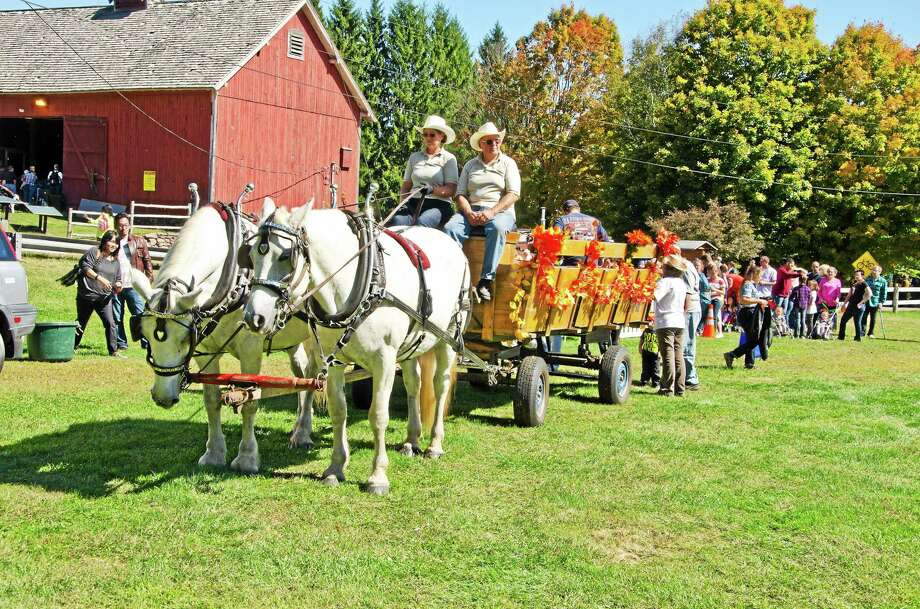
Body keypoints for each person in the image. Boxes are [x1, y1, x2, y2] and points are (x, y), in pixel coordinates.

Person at [445, 121, 521, 301]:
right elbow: (460, 193)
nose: (494, 144)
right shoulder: (470, 165)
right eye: (489, 141)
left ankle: (485, 280)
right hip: (471, 209)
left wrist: (492, 212)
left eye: (497, 140)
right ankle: (456, 277)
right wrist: (468, 211)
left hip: (500, 211)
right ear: (480, 144)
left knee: (496, 227)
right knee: (450, 229)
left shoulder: (508, 163)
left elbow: (513, 194)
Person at [391, 115, 459, 229]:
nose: (428, 138)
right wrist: (402, 205)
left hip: (439, 206)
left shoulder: (448, 158)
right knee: (396, 221)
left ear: (442, 136)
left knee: (422, 223)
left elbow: (451, 190)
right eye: (425, 134)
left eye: (432, 135)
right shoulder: (414, 157)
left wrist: (432, 190)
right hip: (413, 204)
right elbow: (406, 187)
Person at [74, 230, 123, 357]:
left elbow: (118, 279)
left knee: (110, 323)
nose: (114, 245)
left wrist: (118, 286)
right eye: (111, 241)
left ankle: (113, 351)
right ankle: (71, 346)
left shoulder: (115, 261)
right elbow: (85, 267)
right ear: (105, 241)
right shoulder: (95, 252)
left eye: (116, 243)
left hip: (104, 299)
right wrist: (99, 278)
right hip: (87, 296)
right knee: (81, 322)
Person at [112, 213, 154, 350]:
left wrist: (148, 279)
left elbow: (147, 261)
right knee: (117, 316)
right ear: (115, 226)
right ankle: (121, 343)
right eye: (120, 225)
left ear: (129, 226)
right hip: (116, 286)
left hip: (133, 286)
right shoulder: (112, 243)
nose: (123, 228)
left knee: (140, 314)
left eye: (125, 225)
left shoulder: (139, 241)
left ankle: (146, 342)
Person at [723, 263, 770, 369]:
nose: (760, 278)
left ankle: (749, 363)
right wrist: (759, 300)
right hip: (748, 313)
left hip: (749, 313)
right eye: (760, 275)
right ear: (754, 274)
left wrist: (762, 300)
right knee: (754, 340)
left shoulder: (749, 284)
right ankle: (732, 355)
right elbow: (744, 299)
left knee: (752, 339)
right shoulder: (748, 284)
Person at [654, 255, 688, 397]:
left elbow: (655, 296)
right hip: (679, 321)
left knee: (667, 355)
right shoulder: (681, 283)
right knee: (678, 355)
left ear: (669, 269)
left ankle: (667, 388)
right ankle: (680, 388)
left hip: (665, 321)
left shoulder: (665, 282)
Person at [682, 256, 702, 390]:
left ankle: (690, 378)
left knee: (687, 343)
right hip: (689, 309)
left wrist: (683, 312)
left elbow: (688, 292)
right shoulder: (685, 265)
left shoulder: (685, 267)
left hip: (690, 309)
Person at [838, 270, 871, 341]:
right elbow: (849, 294)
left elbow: (870, 294)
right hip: (851, 305)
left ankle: (857, 338)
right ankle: (841, 337)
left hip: (859, 307)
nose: (856, 276)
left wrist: (861, 303)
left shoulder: (864, 283)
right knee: (843, 320)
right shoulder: (853, 283)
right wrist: (844, 304)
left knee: (857, 322)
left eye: (858, 275)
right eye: (855, 275)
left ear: (862, 276)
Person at [862, 265, 888, 338]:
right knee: (864, 317)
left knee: (873, 318)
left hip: (875, 302)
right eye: (873, 270)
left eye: (875, 270)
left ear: (879, 272)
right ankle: (862, 332)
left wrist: (881, 302)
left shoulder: (883, 281)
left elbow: (884, 292)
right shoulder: (867, 279)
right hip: (866, 301)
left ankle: (871, 333)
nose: (873, 271)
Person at [788, 268, 810, 338]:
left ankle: (796, 334)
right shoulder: (808, 289)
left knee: (797, 319)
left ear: (799, 280)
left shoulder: (796, 288)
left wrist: (792, 300)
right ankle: (802, 334)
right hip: (804, 305)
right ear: (806, 281)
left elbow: (791, 297)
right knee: (803, 320)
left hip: (797, 305)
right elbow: (809, 297)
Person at [706, 263, 725, 337]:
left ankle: (717, 332)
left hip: (717, 299)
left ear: (717, 272)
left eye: (713, 273)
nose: (711, 275)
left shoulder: (720, 280)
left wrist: (714, 290)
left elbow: (723, 292)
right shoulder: (707, 280)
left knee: (715, 315)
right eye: (710, 273)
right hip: (708, 299)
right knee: (714, 316)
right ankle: (713, 331)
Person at [694, 257, 711, 336]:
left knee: (704, 315)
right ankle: (697, 330)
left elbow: (707, 286)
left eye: (698, 265)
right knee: (698, 315)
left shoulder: (702, 275)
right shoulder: (693, 275)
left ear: (701, 266)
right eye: (695, 265)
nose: (696, 267)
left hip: (706, 298)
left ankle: (699, 330)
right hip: (698, 297)